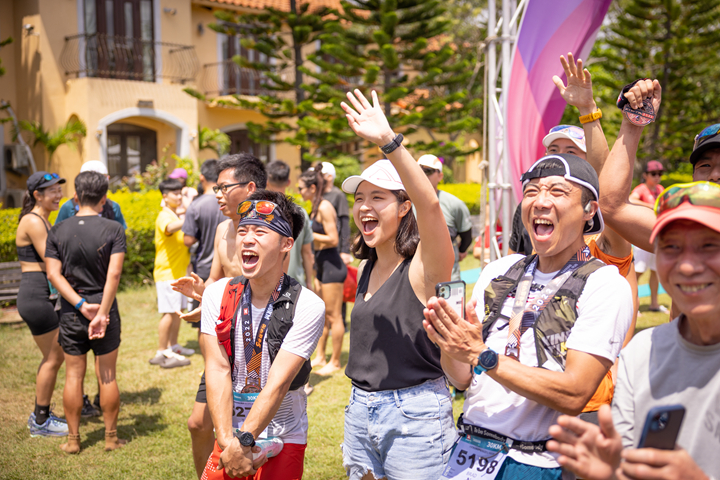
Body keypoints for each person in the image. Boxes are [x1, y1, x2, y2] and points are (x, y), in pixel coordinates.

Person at [423, 153, 634, 479]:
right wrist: (451, 345)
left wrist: (482, 354)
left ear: (589, 210)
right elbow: (462, 379)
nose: (540, 201)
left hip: (537, 462)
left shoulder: (603, 283)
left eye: (558, 192)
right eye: (532, 191)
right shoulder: (499, 271)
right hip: (468, 450)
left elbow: (575, 393)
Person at [547, 181, 720, 480]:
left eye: (709, 246)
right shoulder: (641, 352)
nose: (688, 266)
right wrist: (611, 473)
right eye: (671, 247)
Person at [339, 90, 456, 480]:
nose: (364, 207)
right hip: (359, 411)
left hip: (415, 417)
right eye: (359, 198)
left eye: (377, 197)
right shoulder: (366, 267)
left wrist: (389, 142)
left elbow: (432, 206)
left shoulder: (425, 265)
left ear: (404, 205)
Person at [201, 190, 325, 479]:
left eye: (260, 231)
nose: (247, 238)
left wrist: (244, 441)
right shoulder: (216, 294)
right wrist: (226, 441)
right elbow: (216, 369)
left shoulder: (307, 304)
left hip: (283, 433)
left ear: (286, 244)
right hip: (230, 436)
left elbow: (278, 385)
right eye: (243, 230)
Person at [171, 153, 267, 479]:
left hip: (262, 345)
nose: (217, 194)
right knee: (198, 423)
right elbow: (216, 281)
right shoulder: (224, 228)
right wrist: (199, 292)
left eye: (224, 187)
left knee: (257, 432)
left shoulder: (274, 230)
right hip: (225, 344)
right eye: (216, 187)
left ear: (250, 187)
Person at [44, 171, 127, 454]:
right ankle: (111, 438)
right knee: (107, 375)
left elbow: (53, 275)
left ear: (76, 197)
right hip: (105, 309)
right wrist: (101, 313)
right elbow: (113, 275)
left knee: (72, 376)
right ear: (104, 198)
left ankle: (73, 440)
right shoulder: (114, 229)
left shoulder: (57, 230)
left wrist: (80, 305)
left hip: (71, 312)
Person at [15, 171, 69, 437]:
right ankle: (40, 421)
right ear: (37, 195)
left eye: (59, 189)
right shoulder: (34, 221)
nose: (58, 195)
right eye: (52, 191)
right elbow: (54, 259)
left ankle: (42, 415)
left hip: (40, 296)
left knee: (53, 357)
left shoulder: (43, 220)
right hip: (36, 296)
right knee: (54, 357)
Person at [298, 165, 346, 376]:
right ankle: (320, 356)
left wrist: (307, 235)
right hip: (321, 265)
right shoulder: (315, 207)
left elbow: (333, 239)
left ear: (312, 187)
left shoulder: (326, 207)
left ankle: (335, 361)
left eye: (301, 188)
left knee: (335, 315)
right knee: (323, 315)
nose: (299, 192)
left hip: (332, 265)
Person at [149, 178, 193, 368]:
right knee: (168, 313)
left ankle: (173, 346)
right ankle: (161, 350)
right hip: (166, 273)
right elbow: (169, 228)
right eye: (175, 194)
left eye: (180, 193)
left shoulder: (174, 214)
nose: (179, 197)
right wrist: (189, 215)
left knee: (178, 311)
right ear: (165, 197)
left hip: (178, 272)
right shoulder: (165, 216)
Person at [417, 154, 473, 281]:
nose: (423, 175)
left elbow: (466, 235)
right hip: (415, 278)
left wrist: (460, 251)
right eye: (419, 170)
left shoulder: (454, 204)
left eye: (429, 171)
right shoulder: (405, 203)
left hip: (448, 277)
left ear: (440, 176)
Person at [182, 160, 226, 316]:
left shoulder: (196, 205)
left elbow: (188, 240)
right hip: (228, 267)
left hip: (204, 268)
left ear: (202, 177)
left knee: (204, 318)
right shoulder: (231, 202)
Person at [266, 160, 315, 289]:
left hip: (267, 285)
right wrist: (310, 282)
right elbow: (307, 253)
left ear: (266, 181)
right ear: (288, 182)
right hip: (296, 284)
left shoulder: (260, 213)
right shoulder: (300, 212)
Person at [629, 160, 669, 314]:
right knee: (637, 273)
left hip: (658, 235)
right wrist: (651, 206)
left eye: (660, 173)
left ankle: (654, 304)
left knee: (654, 272)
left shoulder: (660, 189)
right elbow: (632, 199)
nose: (657, 176)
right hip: (643, 236)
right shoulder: (641, 188)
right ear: (645, 175)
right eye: (654, 173)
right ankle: (633, 306)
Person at [55, 160, 127, 229]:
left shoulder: (113, 207)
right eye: (89, 178)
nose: (94, 183)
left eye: (100, 179)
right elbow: (58, 234)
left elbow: (120, 235)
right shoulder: (68, 207)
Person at [321, 162, 352, 265]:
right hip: (320, 248)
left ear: (329, 177)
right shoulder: (317, 195)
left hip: (335, 249)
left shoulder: (338, 195)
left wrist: (345, 250)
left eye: (321, 175)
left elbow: (344, 223)